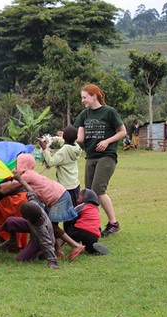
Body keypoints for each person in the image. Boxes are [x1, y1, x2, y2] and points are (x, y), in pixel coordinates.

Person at [0, 154, 85, 261]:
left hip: (58, 197)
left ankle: (75, 245)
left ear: (23, 165)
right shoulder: (29, 174)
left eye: (18, 164)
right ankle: (57, 250)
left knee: (52, 227)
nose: (16, 167)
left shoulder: (27, 175)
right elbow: (12, 184)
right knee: (51, 225)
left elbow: (10, 187)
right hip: (59, 194)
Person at [74, 84, 127, 237]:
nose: (83, 100)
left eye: (84, 97)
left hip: (107, 155)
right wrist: (64, 138)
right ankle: (92, 225)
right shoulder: (84, 115)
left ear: (94, 96)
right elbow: (80, 139)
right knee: (89, 193)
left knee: (98, 190)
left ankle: (113, 223)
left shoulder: (109, 112)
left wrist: (107, 141)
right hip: (90, 156)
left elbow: (122, 132)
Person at [2, 195, 60, 270]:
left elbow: (47, 244)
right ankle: (13, 241)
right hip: (31, 228)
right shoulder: (34, 205)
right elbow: (32, 195)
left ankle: (40, 252)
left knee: (20, 259)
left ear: (26, 218)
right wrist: (26, 187)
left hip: (40, 240)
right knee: (10, 221)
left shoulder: (40, 228)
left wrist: (53, 263)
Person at [39, 125, 82, 206]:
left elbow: (51, 162)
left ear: (64, 136)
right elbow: (62, 141)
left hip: (66, 187)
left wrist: (44, 149)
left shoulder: (64, 151)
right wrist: (51, 139)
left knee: (67, 209)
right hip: (75, 184)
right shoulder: (76, 146)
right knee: (75, 208)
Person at [64, 189, 110, 255]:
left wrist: (66, 230)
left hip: (80, 230)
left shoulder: (82, 206)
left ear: (85, 197)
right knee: (89, 248)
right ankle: (93, 248)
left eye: (79, 196)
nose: (77, 198)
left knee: (68, 231)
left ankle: (73, 243)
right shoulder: (95, 209)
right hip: (94, 234)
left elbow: (71, 217)